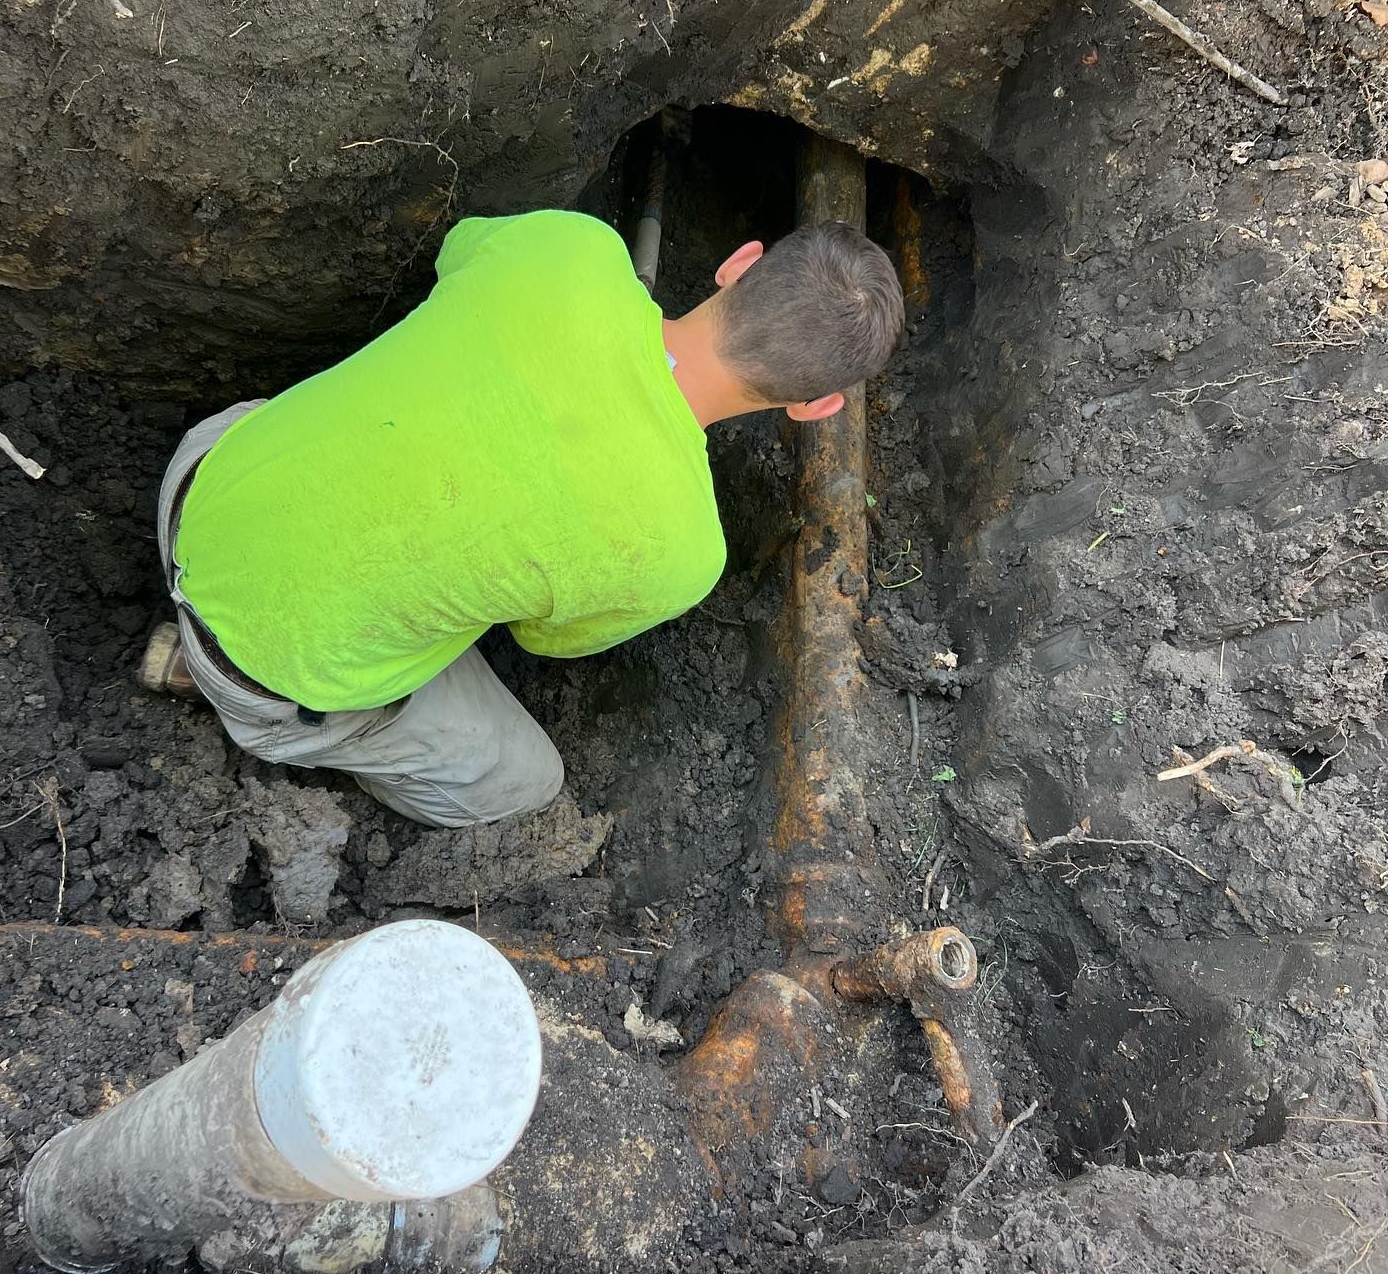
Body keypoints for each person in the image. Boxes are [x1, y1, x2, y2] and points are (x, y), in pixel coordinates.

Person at [142, 209, 903, 827]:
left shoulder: (572, 246)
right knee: (525, 784)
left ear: (739, 262)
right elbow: (540, 639)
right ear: (815, 407)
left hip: (201, 478)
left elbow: (456, 253)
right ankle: (217, 688)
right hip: (269, 676)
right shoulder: (678, 554)